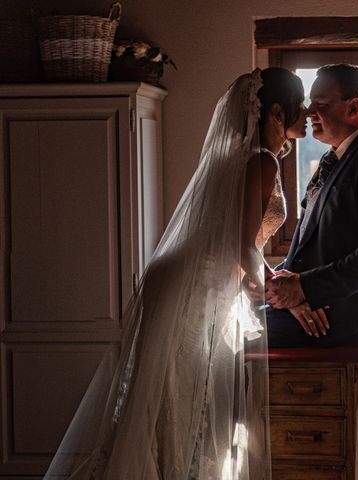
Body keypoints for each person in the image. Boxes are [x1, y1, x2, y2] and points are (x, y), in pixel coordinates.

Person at [44, 67, 306, 480]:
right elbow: (242, 242)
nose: (306, 112)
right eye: (301, 104)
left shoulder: (245, 156)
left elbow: (236, 241)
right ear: (276, 111)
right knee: (172, 393)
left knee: (168, 393)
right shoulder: (262, 162)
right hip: (191, 283)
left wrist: (261, 279)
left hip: (185, 277)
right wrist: (272, 283)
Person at [265, 64, 358, 348]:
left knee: (238, 337)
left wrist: (304, 288)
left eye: (321, 103)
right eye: (310, 102)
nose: (309, 111)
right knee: (232, 323)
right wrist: (289, 290)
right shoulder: (334, 160)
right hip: (322, 305)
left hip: (356, 315)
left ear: (354, 107)